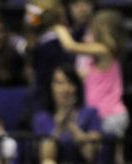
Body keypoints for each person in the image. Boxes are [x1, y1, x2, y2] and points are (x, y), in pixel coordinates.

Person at [53, 10, 128, 138]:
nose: (91, 33)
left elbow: (70, 46)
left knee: (105, 154)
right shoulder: (98, 61)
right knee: (109, 155)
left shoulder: (104, 50)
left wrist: (58, 27)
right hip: (101, 114)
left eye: (93, 29)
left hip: (109, 115)